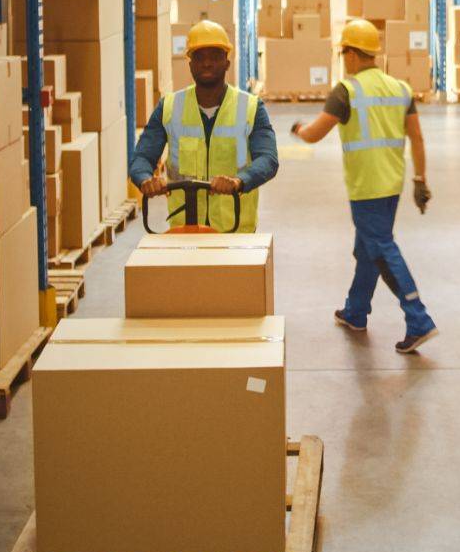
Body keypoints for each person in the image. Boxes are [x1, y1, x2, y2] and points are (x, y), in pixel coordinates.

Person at [290, 19, 438, 354]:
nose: (343, 59)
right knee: (367, 250)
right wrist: (420, 179)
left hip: (365, 187)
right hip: (392, 184)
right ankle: (355, 311)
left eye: (343, 53)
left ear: (353, 54)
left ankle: (418, 319)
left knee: (382, 249)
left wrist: (298, 128)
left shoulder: (347, 90)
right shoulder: (400, 88)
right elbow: (417, 137)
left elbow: (314, 134)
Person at [129, 20, 277, 233]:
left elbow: (268, 159)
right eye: (199, 57)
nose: (207, 63)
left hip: (235, 232)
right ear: (190, 64)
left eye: (215, 56)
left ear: (227, 62)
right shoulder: (169, 107)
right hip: (185, 230)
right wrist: (146, 180)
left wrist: (239, 181)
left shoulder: (251, 107)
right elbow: (142, 157)